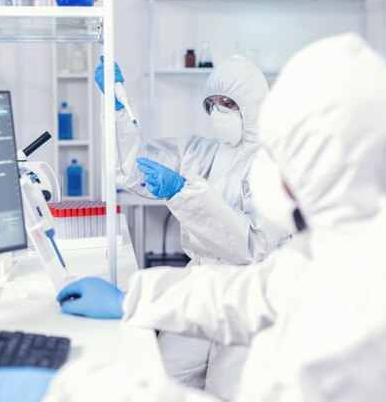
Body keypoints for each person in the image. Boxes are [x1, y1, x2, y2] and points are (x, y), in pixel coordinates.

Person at [0, 33, 386, 402]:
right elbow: (240, 297)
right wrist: (132, 300)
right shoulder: (357, 248)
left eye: (287, 153)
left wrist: (77, 389)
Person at [92, 54, 288, 399]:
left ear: (252, 106)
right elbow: (135, 169)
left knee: (228, 391)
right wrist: (118, 106)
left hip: (248, 302)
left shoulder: (276, 167)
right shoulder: (200, 152)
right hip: (199, 287)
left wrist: (183, 192)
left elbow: (252, 246)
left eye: (228, 104)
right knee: (161, 381)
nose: (218, 113)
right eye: (211, 105)